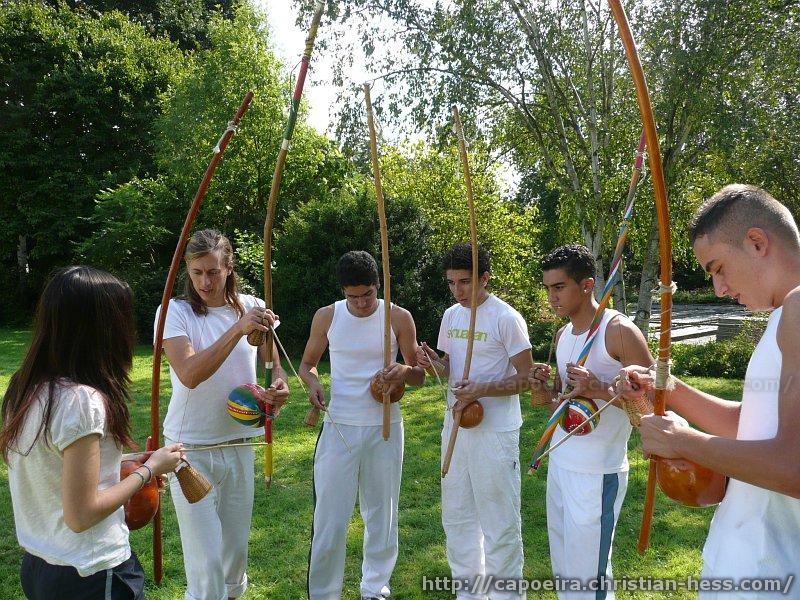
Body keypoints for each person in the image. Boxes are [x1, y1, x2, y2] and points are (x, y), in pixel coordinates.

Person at [617, 185, 800, 598]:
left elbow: (793, 466)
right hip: (748, 561)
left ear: (756, 243)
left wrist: (682, 441)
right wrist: (668, 386)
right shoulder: (784, 313)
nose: (719, 289)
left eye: (718, 268)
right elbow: (750, 424)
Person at [1, 266, 184, 599]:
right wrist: (149, 470)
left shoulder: (25, 388)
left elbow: (54, 463)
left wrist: (131, 460)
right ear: (103, 329)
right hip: (92, 573)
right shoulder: (81, 400)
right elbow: (82, 515)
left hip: (42, 568)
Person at [156, 229, 289, 600]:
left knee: (233, 557)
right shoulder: (174, 311)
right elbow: (190, 374)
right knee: (206, 563)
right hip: (190, 450)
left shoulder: (253, 306)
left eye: (213, 272)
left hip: (240, 442)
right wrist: (237, 328)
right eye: (197, 272)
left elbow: (273, 365)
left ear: (229, 268)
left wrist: (278, 388)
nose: (205, 282)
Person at [301, 250, 425, 600]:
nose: (360, 303)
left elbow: (419, 375)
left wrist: (403, 371)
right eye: (352, 296)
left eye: (367, 294)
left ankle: (375, 588)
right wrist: (313, 383)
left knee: (382, 512)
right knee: (330, 516)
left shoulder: (397, 317)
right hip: (339, 426)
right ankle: (323, 593)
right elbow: (307, 363)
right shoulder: (327, 316)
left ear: (378, 285)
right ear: (343, 291)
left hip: (384, 426)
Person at [416, 242, 536, 600]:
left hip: (495, 432)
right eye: (452, 282)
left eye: (465, 281)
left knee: (499, 521)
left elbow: (527, 378)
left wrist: (482, 389)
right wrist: (433, 364)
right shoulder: (451, 316)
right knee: (457, 517)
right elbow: (449, 368)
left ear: (485, 278)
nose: (458, 290)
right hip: (455, 425)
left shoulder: (506, 318)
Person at [531, 245, 652, 599]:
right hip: (561, 463)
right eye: (548, 288)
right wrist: (542, 391)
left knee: (590, 576)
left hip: (599, 472)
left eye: (559, 287)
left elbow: (654, 410)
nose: (551, 297)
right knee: (566, 570)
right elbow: (561, 405)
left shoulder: (618, 331)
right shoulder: (563, 336)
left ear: (586, 285)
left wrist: (599, 387)